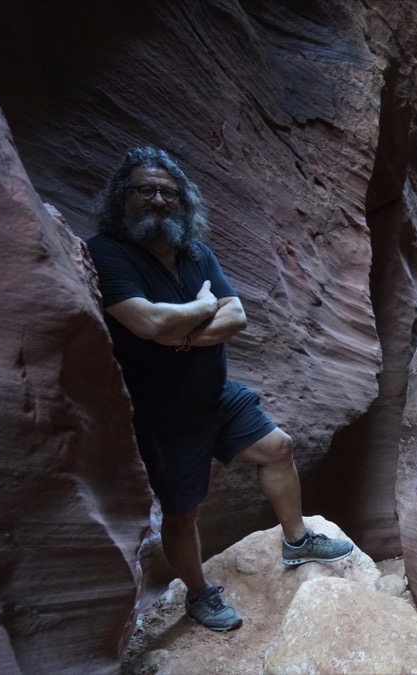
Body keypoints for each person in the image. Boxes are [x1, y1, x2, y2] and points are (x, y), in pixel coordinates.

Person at [86, 147, 353, 632]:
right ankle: (199, 594)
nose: (159, 200)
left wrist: (180, 331)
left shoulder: (195, 252)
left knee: (279, 447)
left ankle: (297, 541)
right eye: (145, 190)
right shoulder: (107, 252)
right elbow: (145, 321)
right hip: (162, 414)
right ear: (123, 197)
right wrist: (202, 305)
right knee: (183, 513)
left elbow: (236, 315)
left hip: (216, 395)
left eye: (168, 192)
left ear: (183, 200)